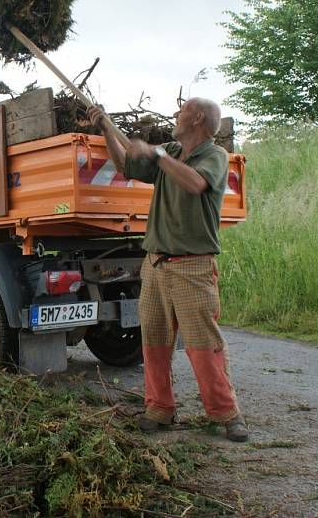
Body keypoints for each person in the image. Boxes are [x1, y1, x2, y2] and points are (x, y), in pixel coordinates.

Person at [87, 99, 248, 442]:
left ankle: (226, 413)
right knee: (155, 343)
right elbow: (126, 167)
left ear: (198, 118)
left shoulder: (214, 156)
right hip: (155, 264)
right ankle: (159, 409)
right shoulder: (172, 150)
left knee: (204, 345)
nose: (176, 115)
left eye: (182, 110)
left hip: (192, 266)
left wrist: (157, 155)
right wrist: (106, 130)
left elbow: (195, 184)